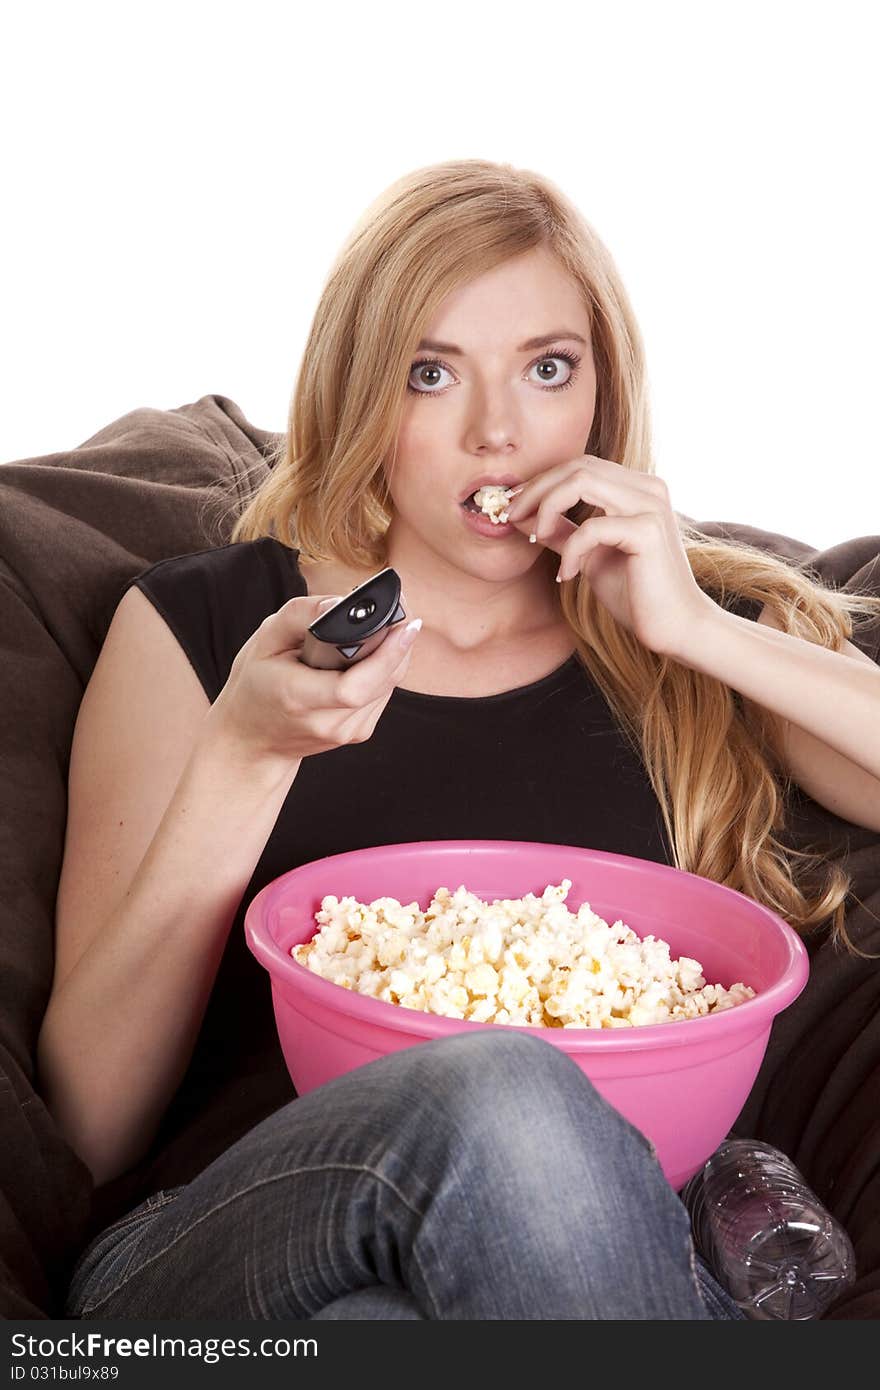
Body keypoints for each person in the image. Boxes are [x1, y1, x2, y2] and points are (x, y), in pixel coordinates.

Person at [38, 159, 880, 1321]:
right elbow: (90, 1121)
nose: (499, 433)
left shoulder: (691, 643)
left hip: (612, 1262)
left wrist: (698, 627)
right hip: (224, 1242)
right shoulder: (204, 629)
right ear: (358, 395)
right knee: (500, 1087)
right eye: (431, 375)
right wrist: (245, 757)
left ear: (602, 391)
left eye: (547, 369)